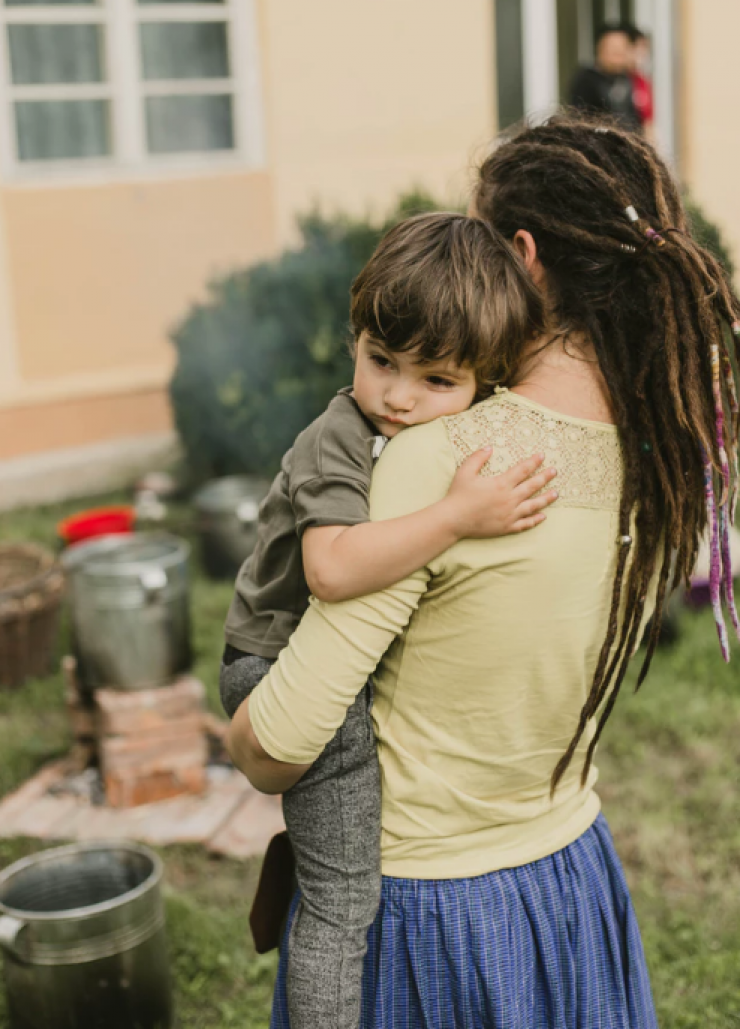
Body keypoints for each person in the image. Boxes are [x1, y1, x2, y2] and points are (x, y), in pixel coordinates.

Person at [228, 113, 740, 1028]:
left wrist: (237, 731)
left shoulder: (444, 459)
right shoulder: (658, 455)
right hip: (571, 878)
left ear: (524, 259)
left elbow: (280, 744)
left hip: (427, 914)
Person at [220, 211, 559, 1029]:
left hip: (339, 663)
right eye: (381, 361)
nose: (399, 396)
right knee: (342, 898)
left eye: (435, 379)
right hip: (278, 661)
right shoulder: (338, 438)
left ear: (485, 378)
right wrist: (458, 516)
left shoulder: (457, 422)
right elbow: (332, 569)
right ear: (356, 342)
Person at [570, 23, 642, 132]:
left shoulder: (627, 80)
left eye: (623, 49)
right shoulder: (587, 81)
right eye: (614, 49)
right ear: (600, 49)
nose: (619, 55)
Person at [627, 24, 655, 139]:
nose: (643, 54)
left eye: (645, 48)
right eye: (639, 48)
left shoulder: (642, 81)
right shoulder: (609, 82)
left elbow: (648, 123)